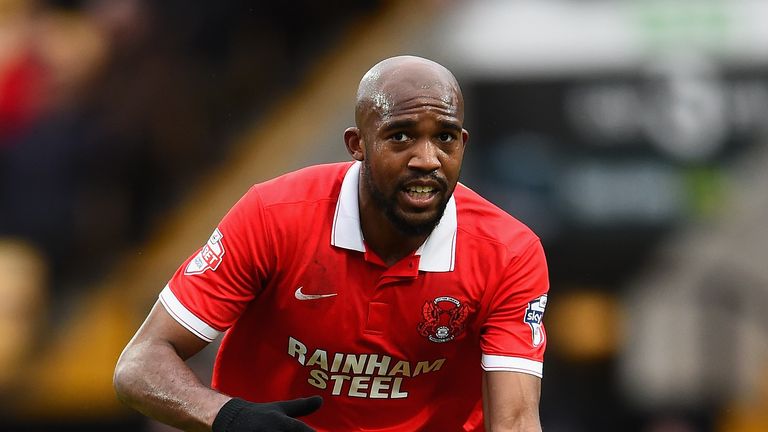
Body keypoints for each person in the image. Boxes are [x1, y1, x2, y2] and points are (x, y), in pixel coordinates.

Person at [113, 55, 549, 432]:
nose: (427, 159)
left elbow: (514, 421)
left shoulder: (510, 252)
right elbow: (140, 363)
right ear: (357, 145)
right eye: (400, 136)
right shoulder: (273, 216)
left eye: (445, 137)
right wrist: (229, 417)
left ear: (463, 144)